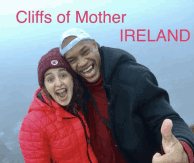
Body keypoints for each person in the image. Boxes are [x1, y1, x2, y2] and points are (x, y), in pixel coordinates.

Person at [58, 28, 194, 163]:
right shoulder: (76, 91)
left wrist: (182, 149)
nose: (82, 63)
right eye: (72, 59)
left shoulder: (133, 78)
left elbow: (167, 118)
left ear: (94, 45)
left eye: (85, 51)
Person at [18, 48, 98, 163]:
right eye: (50, 79)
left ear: (72, 79)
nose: (59, 83)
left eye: (63, 75)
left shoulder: (80, 104)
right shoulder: (32, 124)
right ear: (44, 87)